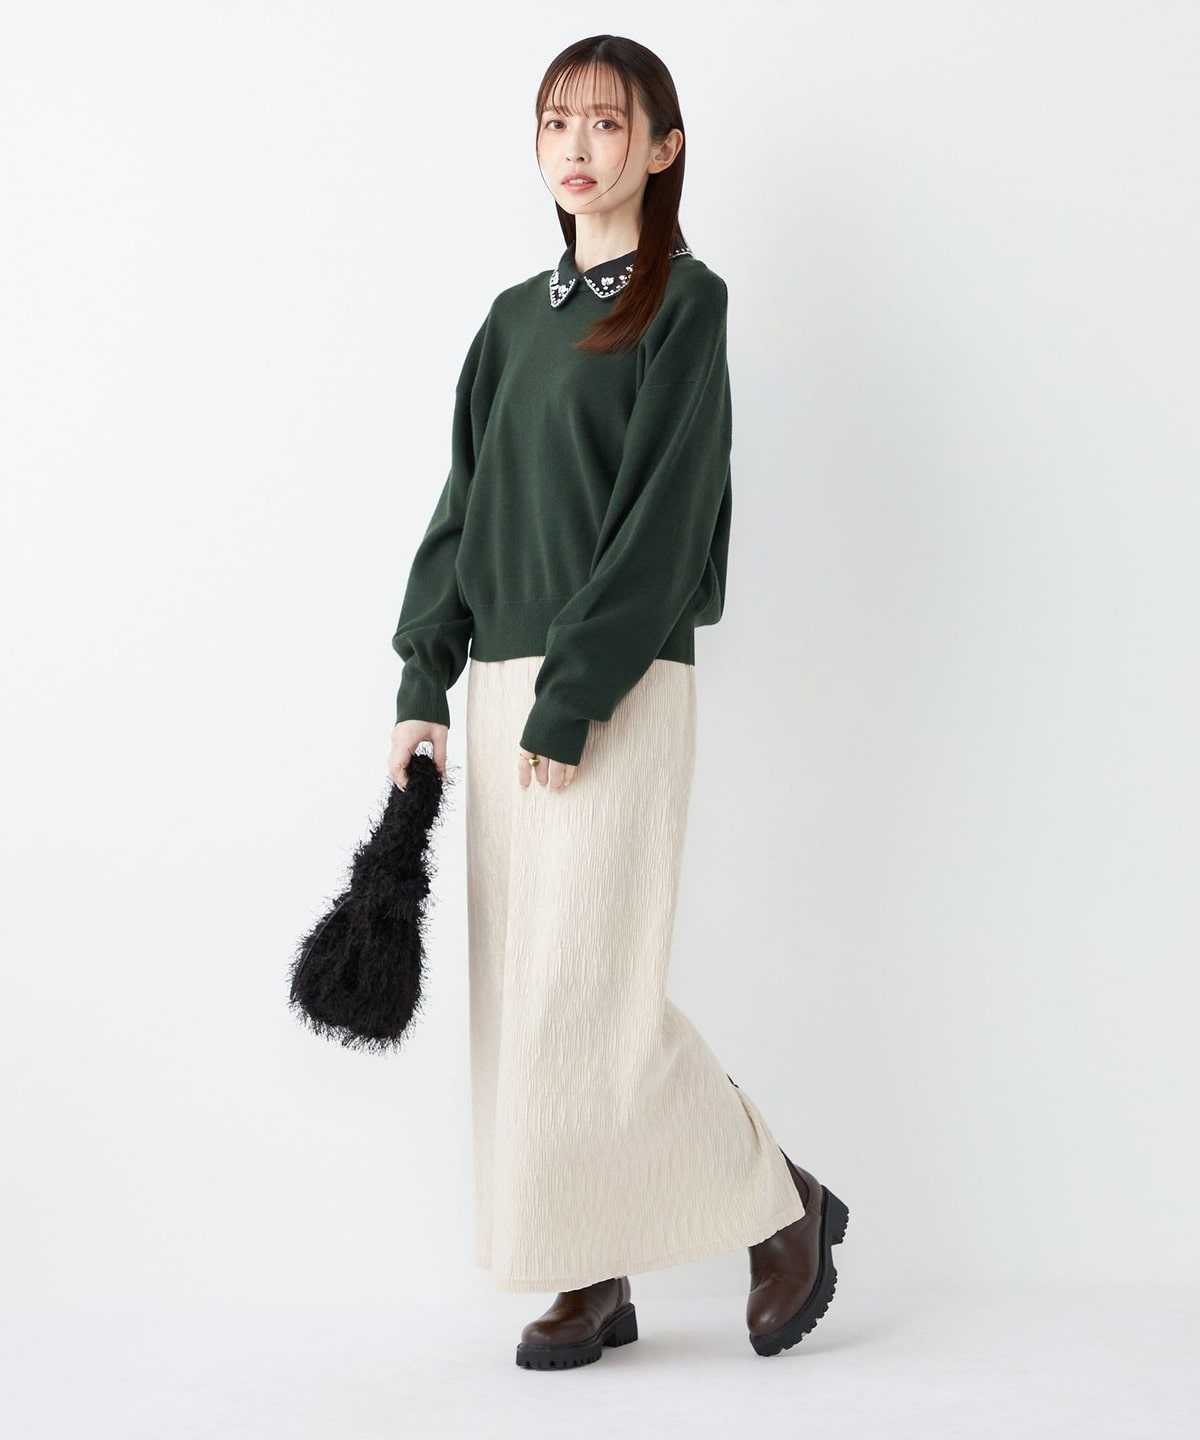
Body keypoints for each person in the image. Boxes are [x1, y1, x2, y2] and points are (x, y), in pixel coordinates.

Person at [386, 34, 849, 1368]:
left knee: (592, 993)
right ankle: (587, 1270)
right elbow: (462, 506)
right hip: (500, 685)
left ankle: (781, 1200)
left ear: (663, 145)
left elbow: (665, 519)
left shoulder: (685, 304)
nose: (577, 147)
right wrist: (424, 674)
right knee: (524, 1002)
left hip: (619, 680)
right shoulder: (508, 322)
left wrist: (574, 690)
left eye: (605, 121)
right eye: (555, 123)